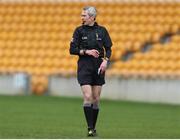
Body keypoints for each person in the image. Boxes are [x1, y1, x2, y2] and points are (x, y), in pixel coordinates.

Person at [69, 6, 112, 137]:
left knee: (96, 99)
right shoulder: (78, 31)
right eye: (81, 15)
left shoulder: (102, 30)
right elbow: (72, 50)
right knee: (88, 96)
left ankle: (93, 128)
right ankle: (89, 127)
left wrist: (106, 60)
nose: (82, 18)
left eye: (84, 16)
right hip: (84, 66)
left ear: (92, 17)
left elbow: (108, 48)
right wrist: (86, 51)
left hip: (98, 67)